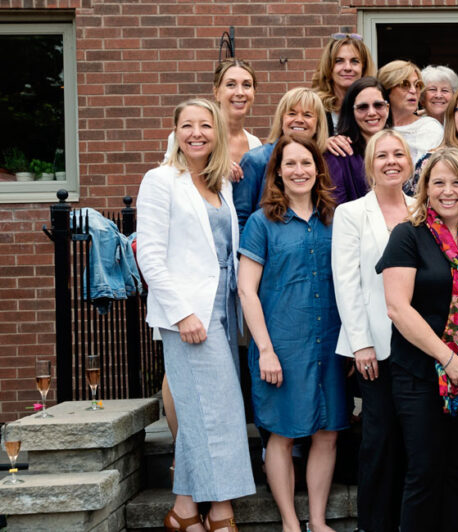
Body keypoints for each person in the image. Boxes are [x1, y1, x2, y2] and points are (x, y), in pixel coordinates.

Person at [137, 98, 254, 532]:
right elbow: (149, 255)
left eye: (206, 125)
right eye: (187, 125)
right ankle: (220, 510)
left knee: (207, 407)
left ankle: (184, 511)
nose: (196, 133)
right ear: (175, 131)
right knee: (217, 410)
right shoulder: (161, 180)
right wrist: (182, 313)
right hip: (189, 316)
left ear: (218, 132)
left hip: (223, 308)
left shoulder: (220, 184)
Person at [377, 147, 458, 532]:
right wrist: (449, 360)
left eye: (457, 182)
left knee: (457, 472)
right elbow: (398, 308)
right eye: (439, 182)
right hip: (420, 374)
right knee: (425, 472)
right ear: (425, 189)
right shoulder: (408, 236)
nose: (448, 191)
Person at [237, 135, 345, 532]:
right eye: (290, 164)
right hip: (281, 344)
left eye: (306, 163)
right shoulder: (261, 222)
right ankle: (289, 522)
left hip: (330, 343)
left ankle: (317, 521)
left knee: (328, 432)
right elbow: (247, 290)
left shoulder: (336, 218)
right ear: (277, 172)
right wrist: (264, 349)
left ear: (318, 169)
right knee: (281, 434)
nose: (299, 171)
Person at [159, 57, 263, 470]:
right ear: (217, 90)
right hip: (191, 274)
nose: (240, 91)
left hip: (235, 267)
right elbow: (175, 183)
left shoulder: (257, 144)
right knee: (180, 370)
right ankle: (183, 450)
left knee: (224, 366)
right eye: (232, 84)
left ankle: (209, 452)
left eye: (247, 84)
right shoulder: (193, 140)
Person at [333, 129, 415, 532]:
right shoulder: (350, 214)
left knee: (415, 442)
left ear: (410, 162)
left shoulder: (422, 209)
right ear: (369, 165)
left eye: (398, 154)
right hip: (375, 349)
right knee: (379, 441)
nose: (391, 161)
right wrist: (360, 343)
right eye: (381, 155)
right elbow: (346, 282)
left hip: (420, 345)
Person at [235, 87, 330, 231]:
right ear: (282, 119)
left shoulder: (325, 160)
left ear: (318, 124)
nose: (299, 120)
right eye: (292, 113)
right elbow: (239, 221)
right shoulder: (256, 160)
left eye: (307, 115)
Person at [324, 76, 392, 206]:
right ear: (351, 112)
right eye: (363, 107)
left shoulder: (397, 149)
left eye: (378, 105)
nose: (372, 112)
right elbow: (337, 209)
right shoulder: (338, 154)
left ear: (387, 108)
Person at [378, 60, 444, 164]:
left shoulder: (430, 128)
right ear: (387, 89)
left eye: (417, 85)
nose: (413, 90)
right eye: (405, 84)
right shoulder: (374, 127)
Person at [312, 34, 376, 138]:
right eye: (339, 61)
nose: (347, 67)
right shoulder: (313, 106)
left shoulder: (375, 106)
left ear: (363, 67)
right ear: (329, 66)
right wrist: (322, 145)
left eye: (354, 61)